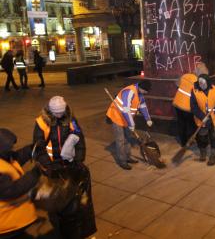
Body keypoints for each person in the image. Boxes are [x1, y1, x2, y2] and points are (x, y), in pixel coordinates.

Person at [33, 96, 96, 239]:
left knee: (73, 196)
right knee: (56, 198)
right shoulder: (41, 122)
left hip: (69, 163)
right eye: (57, 113)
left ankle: (74, 225)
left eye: (61, 112)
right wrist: (48, 165)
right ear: (51, 111)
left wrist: (79, 159)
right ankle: (59, 226)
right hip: (52, 165)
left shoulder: (71, 119)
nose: (60, 115)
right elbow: (38, 146)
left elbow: (79, 139)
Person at [0, 128, 40, 238]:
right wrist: (35, 173)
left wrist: (32, 149)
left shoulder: (4, 157)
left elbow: (18, 157)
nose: (12, 149)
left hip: (16, 220)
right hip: (7, 225)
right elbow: (12, 190)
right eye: (9, 147)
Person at [106, 80, 153, 170]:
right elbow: (126, 109)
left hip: (127, 118)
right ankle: (122, 161)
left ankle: (127, 157)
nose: (146, 93)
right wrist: (131, 124)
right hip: (117, 117)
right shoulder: (129, 92)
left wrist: (148, 119)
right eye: (146, 91)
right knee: (120, 140)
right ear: (141, 88)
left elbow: (143, 106)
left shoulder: (140, 94)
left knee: (128, 138)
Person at [190, 74, 215, 166]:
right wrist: (202, 116)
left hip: (214, 118)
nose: (201, 86)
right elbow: (193, 107)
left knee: (214, 136)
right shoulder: (195, 91)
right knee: (202, 136)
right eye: (200, 83)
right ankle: (202, 150)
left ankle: (214, 153)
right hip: (202, 119)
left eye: (203, 84)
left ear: (208, 82)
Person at [172, 63, 209, 147]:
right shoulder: (198, 81)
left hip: (177, 104)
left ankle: (183, 142)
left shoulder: (186, 75)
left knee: (181, 123)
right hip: (187, 107)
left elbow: (176, 83)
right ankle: (195, 140)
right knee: (192, 124)